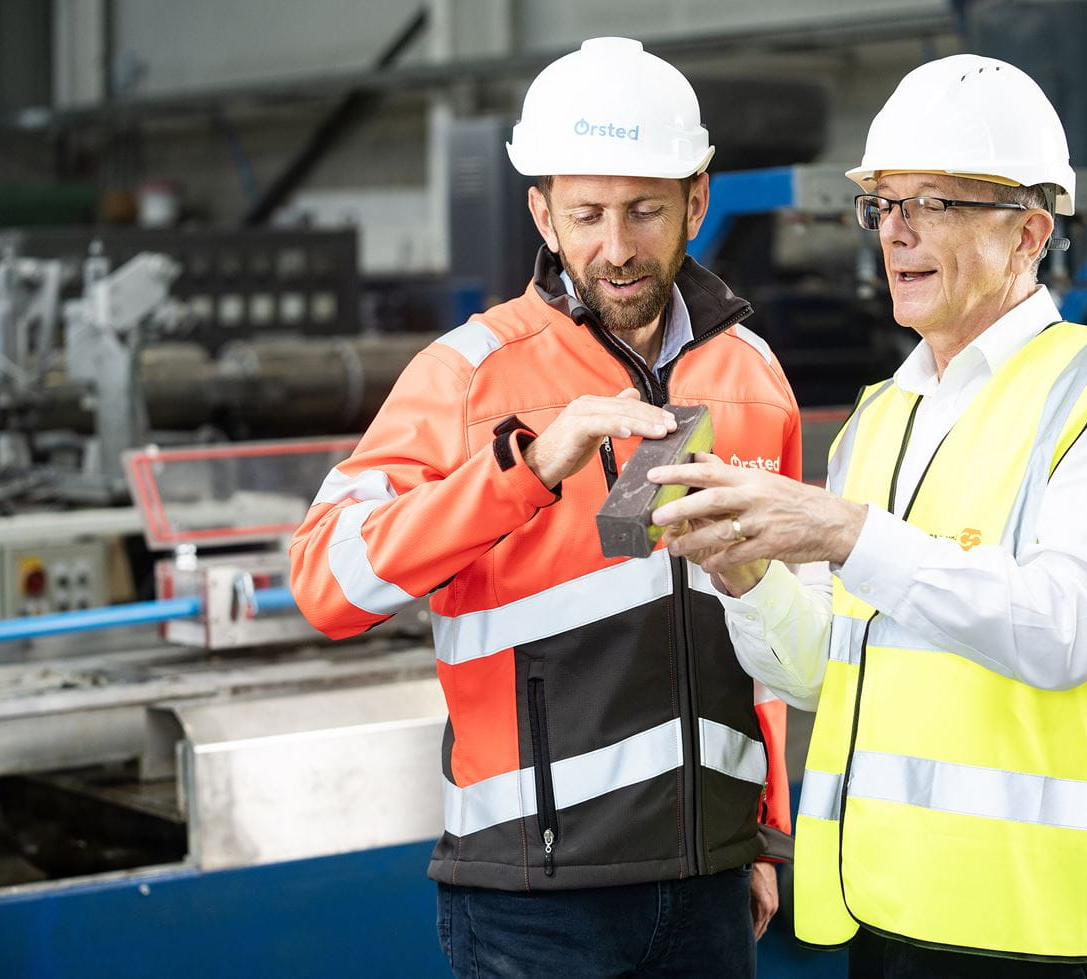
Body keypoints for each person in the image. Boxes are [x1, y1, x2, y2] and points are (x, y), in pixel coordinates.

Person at [647, 54, 1087, 978]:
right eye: (886, 205)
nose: (897, 233)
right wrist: (743, 570)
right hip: (887, 914)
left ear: (1030, 231)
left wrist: (844, 532)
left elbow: (1063, 633)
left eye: (936, 204)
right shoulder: (884, 415)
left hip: (1039, 931)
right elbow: (821, 672)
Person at [288, 36, 802, 979]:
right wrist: (521, 468)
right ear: (542, 211)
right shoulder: (468, 373)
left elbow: (770, 625)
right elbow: (326, 583)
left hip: (710, 882)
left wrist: (763, 822)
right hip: (534, 898)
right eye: (587, 213)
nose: (616, 246)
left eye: (645, 210)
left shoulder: (754, 377)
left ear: (698, 198)